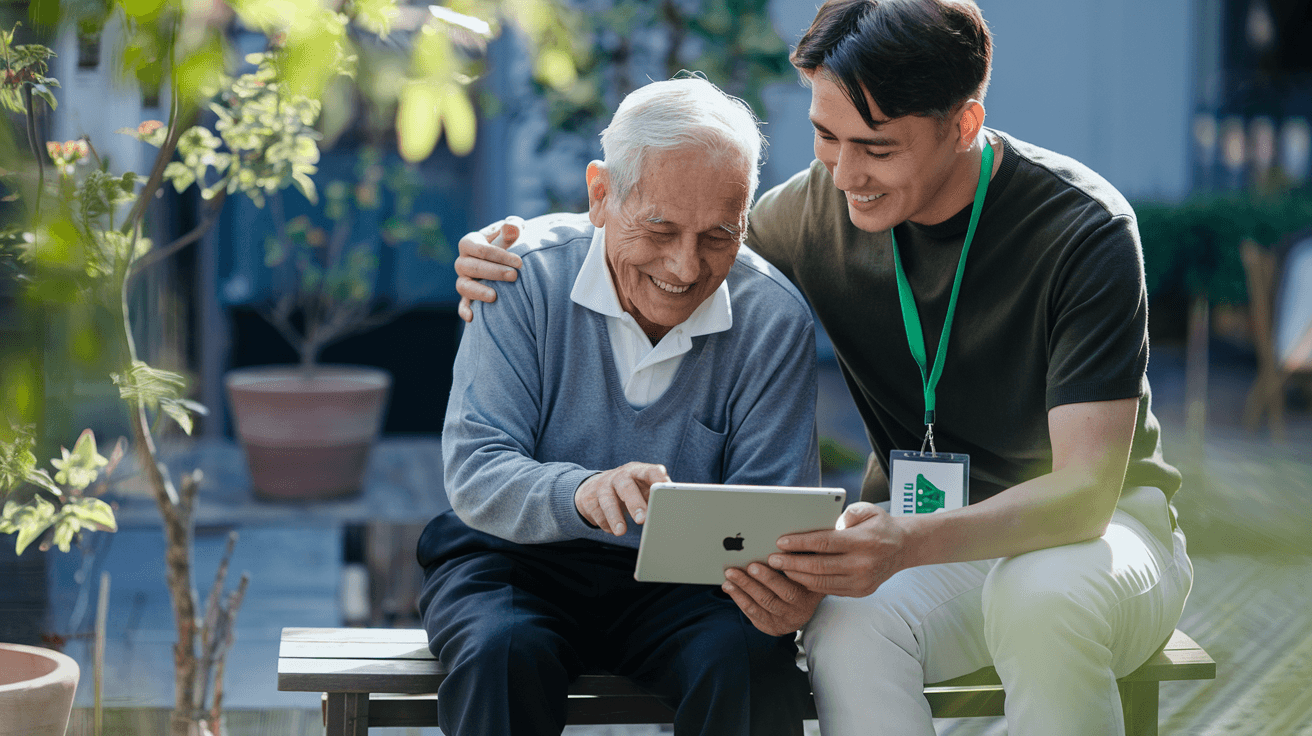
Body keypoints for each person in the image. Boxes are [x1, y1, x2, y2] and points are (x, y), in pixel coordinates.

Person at [450, 1, 1195, 734]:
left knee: (1040, 599)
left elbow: (1084, 496)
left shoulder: (1082, 229)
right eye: (824, 137)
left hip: (1090, 542)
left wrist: (903, 544)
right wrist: (514, 247)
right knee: (844, 630)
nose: (845, 175)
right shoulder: (807, 215)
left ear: (964, 124)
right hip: (930, 547)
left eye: (876, 147)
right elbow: (674, 236)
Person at [417, 76, 820, 736]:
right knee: (503, 653)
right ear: (601, 194)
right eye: (659, 228)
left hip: (691, 582)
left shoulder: (772, 318)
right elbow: (477, 473)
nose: (686, 267)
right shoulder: (519, 276)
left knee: (750, 664)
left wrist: (787, 586)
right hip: (515, 557)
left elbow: (767, 514)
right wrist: (583, 492)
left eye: (720, 235)